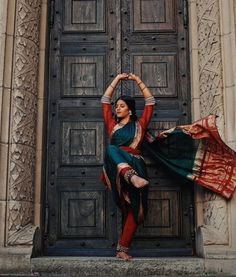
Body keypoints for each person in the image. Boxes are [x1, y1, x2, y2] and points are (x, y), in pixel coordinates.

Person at [100, 73, 155, 261]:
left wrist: (138, 80)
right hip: (118, 169)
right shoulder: (112, 126)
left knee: (134, 209)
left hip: (137, 165)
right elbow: (105, 101)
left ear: (130, 110)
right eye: (117, 106)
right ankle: (129, 175)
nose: (117, 108)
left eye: (122, 106)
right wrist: (116, 79)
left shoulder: (140, 125)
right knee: (111, 149)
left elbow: (150, 102)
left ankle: (122, 249)